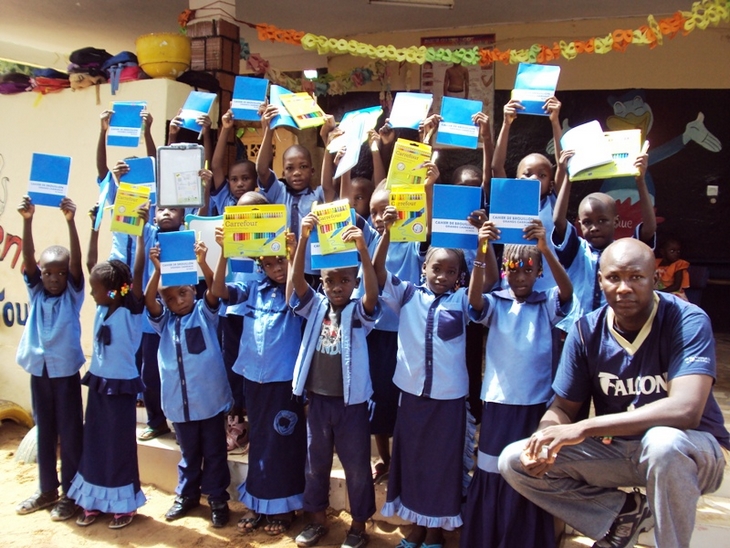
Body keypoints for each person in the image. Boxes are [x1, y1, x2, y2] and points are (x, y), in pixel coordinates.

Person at [499, 238, 729, 548]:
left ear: (655, 278)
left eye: (636, 277)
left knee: (663, 442)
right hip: (621, 453)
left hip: (691, 452)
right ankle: (623, 514)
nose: (623, 288)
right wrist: (545, 438)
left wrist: (584, 427)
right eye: (614, 277)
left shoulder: (686, 320)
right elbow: (563, 407)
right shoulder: (585, 331)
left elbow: (685, 410)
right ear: (600, 280)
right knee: (513, 460)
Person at [460, 219, 575, 548]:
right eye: (514, 269)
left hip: (535, 405)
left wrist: (546, 249)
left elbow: (567, 292)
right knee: (492, 469)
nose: (520, 277)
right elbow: (475, 303)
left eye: (528, 270)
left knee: (526, 471)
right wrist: (482, 249)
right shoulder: (496, 302)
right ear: (506, 270)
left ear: (539, 271)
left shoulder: (546, 304)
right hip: (498, 403)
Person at [374, 209, 473, 548]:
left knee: (442, 465)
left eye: (451, 271)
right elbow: (376, 272)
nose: (443, 276)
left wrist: (483, 243)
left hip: (448, 400)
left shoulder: (463, 301)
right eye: (436, 268)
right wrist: (386, 233)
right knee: (414, 461)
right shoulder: (408, 294)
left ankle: (435, 531)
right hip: (413, 396)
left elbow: (482, 287)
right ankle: (416, 526)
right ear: (423, 268)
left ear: (460, 276)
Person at [211, 220, 306, 537]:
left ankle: (283, 507)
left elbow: (295, 291)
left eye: (280, 260)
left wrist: (293, 255)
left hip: (284, 382)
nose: (276, 267)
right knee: (260, 443)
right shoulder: (253, 288)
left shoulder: (299, 291)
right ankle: (259, 502)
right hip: (254, 379)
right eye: (269, 262)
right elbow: (218, 292)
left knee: (284, 443)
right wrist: (223, 253)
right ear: (260, 265)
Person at [290, 213, 379, 548]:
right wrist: (303, 238)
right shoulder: (315, 307)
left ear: (353, 282)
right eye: (330, 281)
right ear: (322, 282)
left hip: (350, 405)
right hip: (318, 401)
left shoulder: (359, 311)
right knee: (316, 465)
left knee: (357, 467)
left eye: (344, 280)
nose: (336, 286)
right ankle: (316, 520)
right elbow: (298, 280)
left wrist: (361, 249)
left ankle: (358, 526)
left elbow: (372, 291)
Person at [146, 234, 233, 529]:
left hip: (208, 404)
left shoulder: (204, 313)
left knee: (215, 452)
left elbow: (215, 289)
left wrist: (204, 261)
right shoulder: (164, 323)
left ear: (192, 292)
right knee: (188, 455)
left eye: (182, 294)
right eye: (169, 298)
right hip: (179, 407)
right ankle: (187, 496)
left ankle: (218, 500)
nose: (176, 301)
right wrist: (157, 269)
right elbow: (148, 300)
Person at [68, 207, 147, 529]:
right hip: (99, 384)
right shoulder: (102, 307)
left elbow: (137, 276)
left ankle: (122, 505)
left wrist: (140, 236)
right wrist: (93, 226)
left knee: (119, 446)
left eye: (95, 288)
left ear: (112, 291)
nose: (90, 292)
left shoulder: (130, 312)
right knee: (96, 442)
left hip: (122, 388)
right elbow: (91, 264)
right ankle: (93, 500)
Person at [14, 196, 85, 522]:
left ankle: (70, 493)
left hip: (65, 373)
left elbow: (76, 263)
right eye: (48, 273)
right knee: (45, 430)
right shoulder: (37, 291)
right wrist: (28, 221)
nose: (54, 278)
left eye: (60, 273)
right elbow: (28, 258)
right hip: (39, 372)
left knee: (70, 432)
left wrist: (71, 222)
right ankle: (47, 490)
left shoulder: (72, 294)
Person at [552, 148, 656, 317]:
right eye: (587, 222)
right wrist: (568, 178)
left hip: (612, 327)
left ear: (615, 221)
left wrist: (640, 181)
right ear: (579, 224)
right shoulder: (576, 250)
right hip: (577, 326)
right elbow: (558, 220)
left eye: (602, 220)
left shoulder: (625, 252)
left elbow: (649, 228)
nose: (594, 227)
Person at [492, 96, 564, 293]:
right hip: (512, 288)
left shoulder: (554, 202)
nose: (534, 178)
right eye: (527, 173)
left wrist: (555, 121)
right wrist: (506, 124)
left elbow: (563, 166)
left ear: (551, 183)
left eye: (542, 175)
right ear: (516, 179)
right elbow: (496, 166)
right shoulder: (511, 202)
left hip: (547, 289)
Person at [655, 236, 690, 301]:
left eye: (678, 251)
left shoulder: (679, 264)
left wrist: (659, 293)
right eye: (672, 251)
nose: (676, 254)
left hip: (673, 293)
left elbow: (676, 286)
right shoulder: (655, 263)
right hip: (658, 292)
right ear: (662, 252)